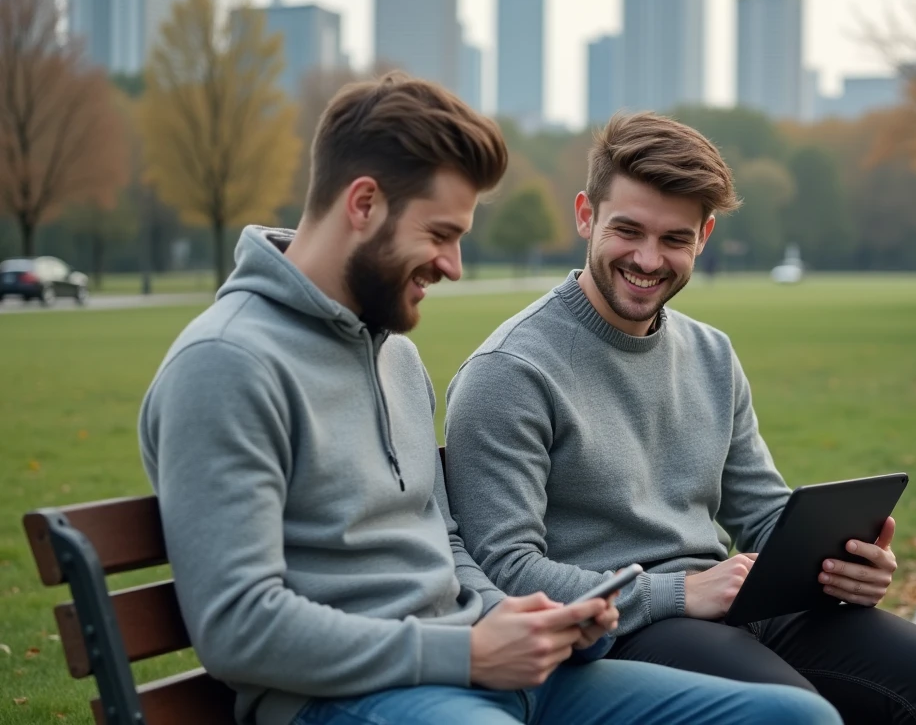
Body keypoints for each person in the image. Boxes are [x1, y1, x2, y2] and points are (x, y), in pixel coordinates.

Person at [137, 78, 841, 725]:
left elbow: (442, 543)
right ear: (363, 205)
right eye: (441, 235)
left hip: (486, 670)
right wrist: (465, 654)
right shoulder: (226, 365)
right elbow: (240, 628)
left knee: (798, 720)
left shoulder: (394, 355)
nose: (453, 267)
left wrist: (528, 620)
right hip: (344, 697)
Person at [444, 112, 916, 725]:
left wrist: (846, 560)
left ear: (703, 236)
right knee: (795, 712)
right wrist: (677, 593)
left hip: (733, 603)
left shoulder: (712, 353)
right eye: (628, 230)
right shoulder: (510, 370)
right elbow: (507, 571)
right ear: (585, 215)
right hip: (617, 634)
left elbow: (762, 512)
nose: (649, 260)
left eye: (675, 239)